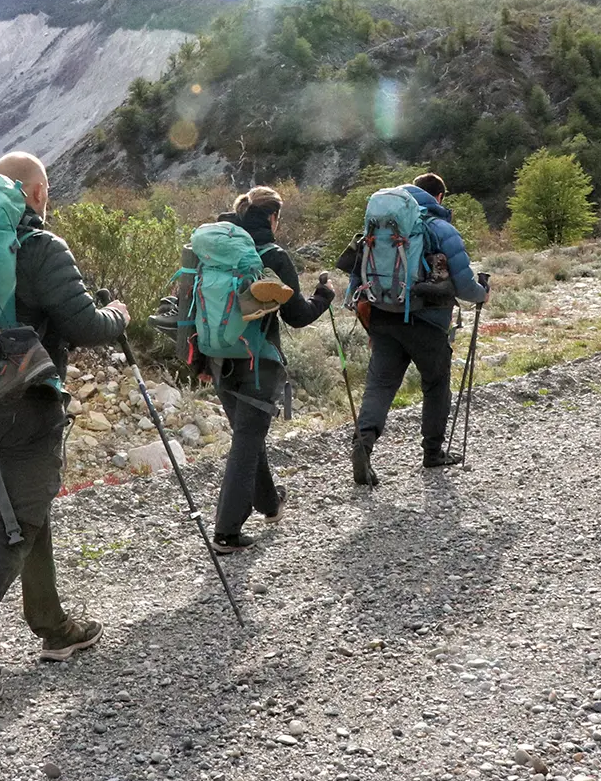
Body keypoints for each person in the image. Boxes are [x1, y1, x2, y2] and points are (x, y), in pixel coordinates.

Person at [0, 151, 129, 710]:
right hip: (25, 403)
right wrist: (122, 317)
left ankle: (53, 625)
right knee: (15, 526)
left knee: (28, 509)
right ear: (35, 193)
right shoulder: (38, 246)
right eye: (47, 191)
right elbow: (85, 326)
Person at [204, 186, 334, 553]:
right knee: (247, 438)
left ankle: (270, 504)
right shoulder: (273, 255)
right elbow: (298, 316)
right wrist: (323, 297)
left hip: (218, 359)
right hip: (259, 362)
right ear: (273, 217)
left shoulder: (216, 251)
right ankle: (226, 531)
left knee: (248, 434)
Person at [338, 172, 488, 486]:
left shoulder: (379, 226)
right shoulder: (441, 228)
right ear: (440, 197)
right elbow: (464, 285)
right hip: (428, 322)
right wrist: (482, 292)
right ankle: (433, 452)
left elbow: (356, 277)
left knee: (380, 386)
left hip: (383, 317)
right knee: (435, 383)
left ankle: (363, 444)